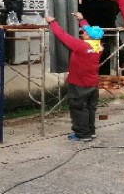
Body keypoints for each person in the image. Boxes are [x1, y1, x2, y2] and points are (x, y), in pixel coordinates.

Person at [44, 12, 103, 141]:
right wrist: (82, 20)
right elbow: (90, 31)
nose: (83, 33)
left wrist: (52, 22)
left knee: (79, 109)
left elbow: (63, 36)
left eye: (86, 32)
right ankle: (90, 131)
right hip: (92, 84)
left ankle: (82, 135)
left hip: (80, 85)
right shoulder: (99, 46)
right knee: (89, 109)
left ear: (89, 36)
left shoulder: (81, 46)